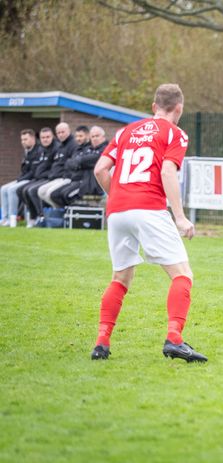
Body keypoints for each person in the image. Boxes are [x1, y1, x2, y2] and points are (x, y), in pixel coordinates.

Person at [90, 83, 206, 362]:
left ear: (154, 107)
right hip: (149, 208)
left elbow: (100, 169)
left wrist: (119, 196)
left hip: (117, 210)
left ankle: (101, 343)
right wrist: (179, 217)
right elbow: (168, 171)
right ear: (179, 108)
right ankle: (174, 339)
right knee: (182, 274)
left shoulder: (125, 131)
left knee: (121, 277)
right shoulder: (175, 133)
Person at [52, 126, 108, 207]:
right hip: (80, 181)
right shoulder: (88, 148)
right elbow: (68, 163)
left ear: (103, 137)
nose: (95, 138)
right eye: (93, 136)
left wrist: (80, 162)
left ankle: (74, 217)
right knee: (57, 194)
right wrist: (81, 163)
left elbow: (90, 159)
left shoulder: (106, 149)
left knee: (67, 195)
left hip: (95, 187)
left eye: (97, 136)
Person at [18, 127, 58, 227]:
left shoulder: (56, 148)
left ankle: (41, 216)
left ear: (52, 137)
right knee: (22, 189)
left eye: (48, 137)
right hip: (39, 178)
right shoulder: (41, 149)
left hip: (51, 178)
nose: (45, 139)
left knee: (32, 190)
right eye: (43, 137)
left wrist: (44, 175)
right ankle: (31, 217)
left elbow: (54, 168)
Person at [0, 129, 41, 227]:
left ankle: (12, 219)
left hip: (32, 180)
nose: (23, 142)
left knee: (11, 190)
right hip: (23, 179)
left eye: (25, 139)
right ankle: (5, 219)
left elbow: (33, 172)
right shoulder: (27, 151)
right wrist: (20, 179)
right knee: (3, 189)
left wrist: (20, 179)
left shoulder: (38, 151)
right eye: (22, 140)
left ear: (32, 138)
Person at [37, 122, 79, 209]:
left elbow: (72, 164)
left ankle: (59, 212)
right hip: (55, 178)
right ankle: (55, 212)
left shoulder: (73, 145)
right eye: (58, 133)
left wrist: (63, 175)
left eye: (62, 132)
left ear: (69, 131)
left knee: (50, 193)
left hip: (66, 178)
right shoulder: (60, 146)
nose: (60, 135)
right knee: (41, 191)